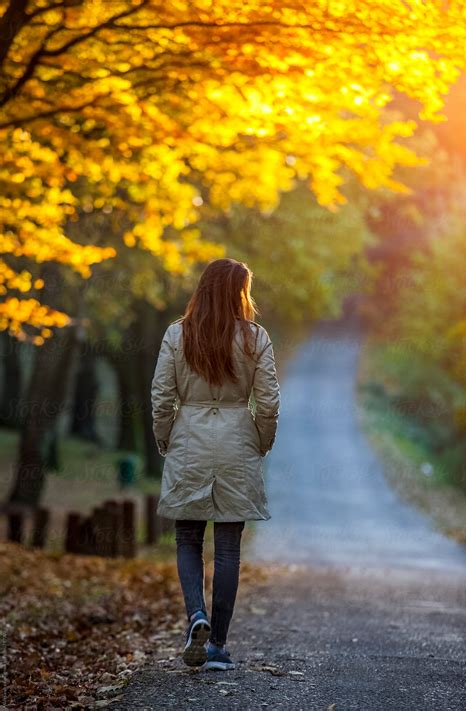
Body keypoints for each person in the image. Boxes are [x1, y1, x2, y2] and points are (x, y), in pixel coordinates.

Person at [150, 257, 280, 671]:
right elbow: (270, 403)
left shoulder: (177, 334)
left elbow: (161, 397)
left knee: (187, 538)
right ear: (240, 292)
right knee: (227, 546)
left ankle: (196, 617)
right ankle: (218, 646)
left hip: (189, 438)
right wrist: (261, 441)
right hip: (237, 443)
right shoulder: (255, 339)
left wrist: (165, 437)